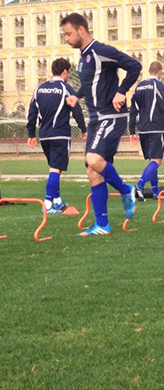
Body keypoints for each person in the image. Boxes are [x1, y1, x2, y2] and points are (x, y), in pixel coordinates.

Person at [62, 13, 142, 236]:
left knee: (93, 159)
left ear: (81, 30)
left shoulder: (101, 51)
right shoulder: (83, 57)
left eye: (68, 34)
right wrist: (77, 96)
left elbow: (134, 66)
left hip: (111, 116)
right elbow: (90, 84)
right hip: (97, 118)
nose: (66, 39)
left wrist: (121, 91)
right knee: (92, 171)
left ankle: (127, 191)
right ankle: (103, 225)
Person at [26, 58, 87, 213]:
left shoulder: (39, 89)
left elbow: (31, 113)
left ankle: (58, 201)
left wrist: (31, 134)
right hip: (60, 135)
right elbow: (77, 110)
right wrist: (83, 129)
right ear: (65, 71)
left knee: (55, 168)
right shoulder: (66, 88)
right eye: (69, 72)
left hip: (44, 136)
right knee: (55, 169)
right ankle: (47, 204)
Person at [129, 61, 164, 200]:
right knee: (157, 160)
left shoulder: (138, 87)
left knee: (152, 160)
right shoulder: (158, 85)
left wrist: (131, 131)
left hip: (142, 129)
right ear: (160, 72)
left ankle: (156, 192)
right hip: (155, 127)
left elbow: (132, 110)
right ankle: (139, 185)